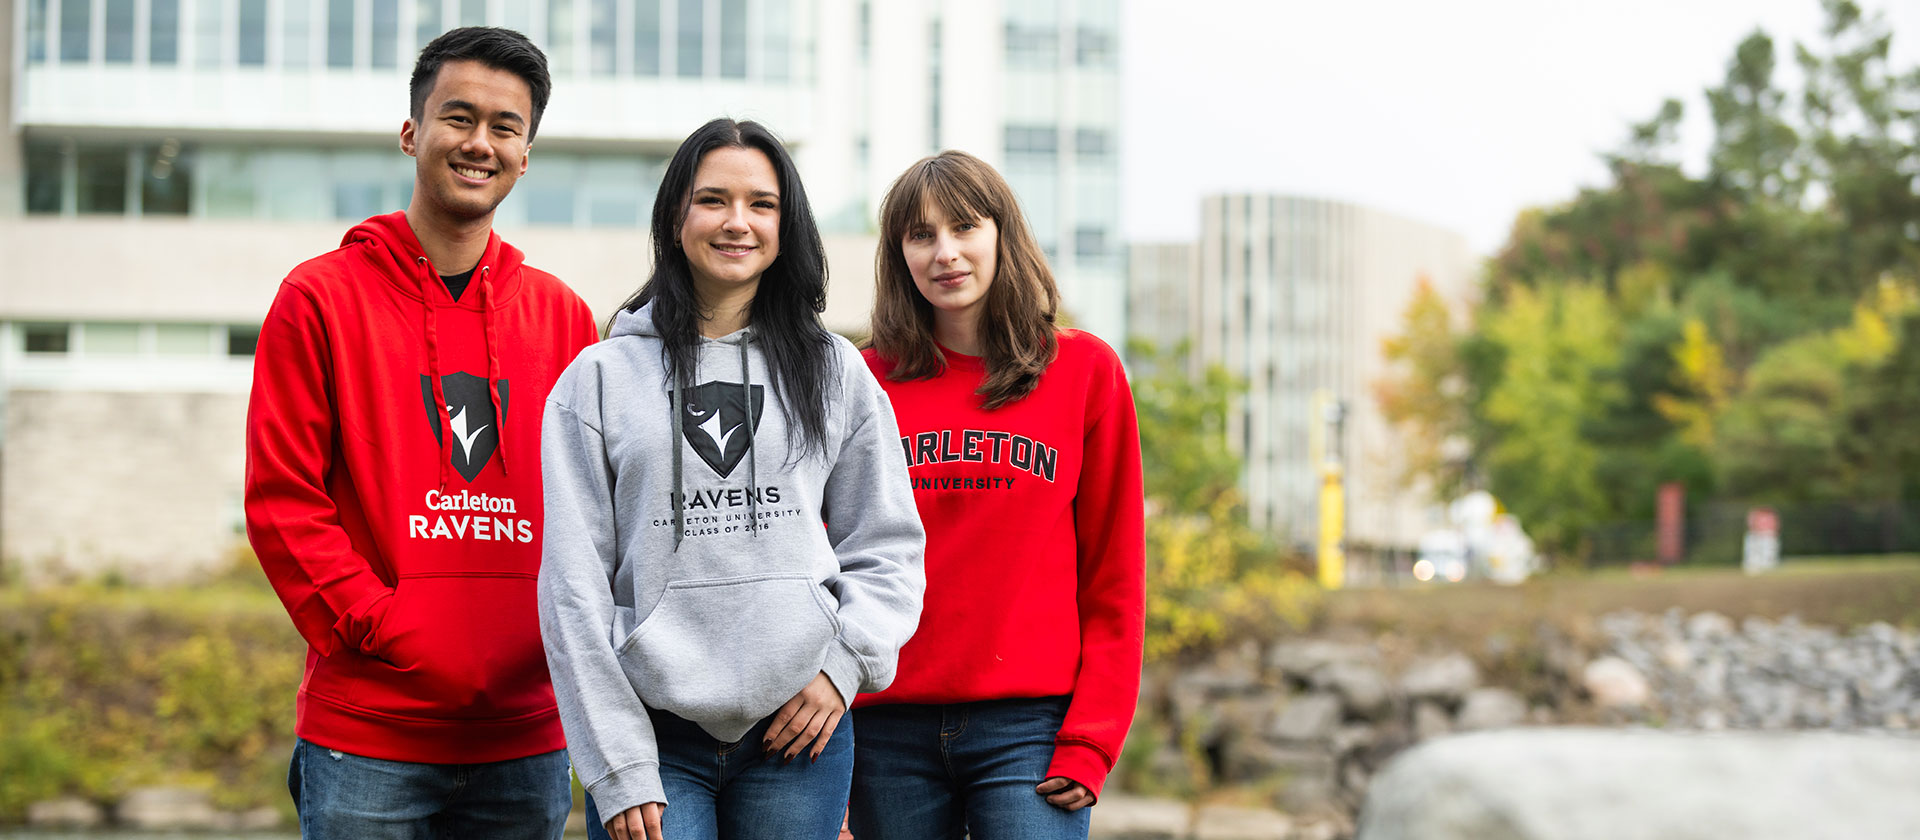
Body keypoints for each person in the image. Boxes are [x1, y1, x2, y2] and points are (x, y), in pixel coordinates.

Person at [243, 26, 598, 839]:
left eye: (505, 127)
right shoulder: (319, 299)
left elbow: (602, 514)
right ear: (413, 133)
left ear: (527, 153)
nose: (481, 143)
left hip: (528, 735)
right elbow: (282, 503)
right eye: (459, 117)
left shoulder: (566, 320)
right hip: (368, 735)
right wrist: (384, 626)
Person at [538, 117, 926, 840]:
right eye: (713, 199)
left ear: (788, 224)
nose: (737, 222)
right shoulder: (597, 380)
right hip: (654, 736)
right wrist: (615, 765)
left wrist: (845, 666)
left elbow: (888, 545)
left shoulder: (833, 369)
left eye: (762, 204)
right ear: (676, 215)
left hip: (799, 732)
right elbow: (572, 591)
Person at [850, 150, 1145, 840]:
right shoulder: (862, 382)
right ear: (899, 256)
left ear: (1002, 233)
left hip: (1030, 730)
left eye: (963, 227)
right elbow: (827, 561)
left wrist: (1092, 740)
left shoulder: (1085, 373)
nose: (945, 252)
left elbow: (1116, 575)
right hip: (882, 725)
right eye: (920, 236)